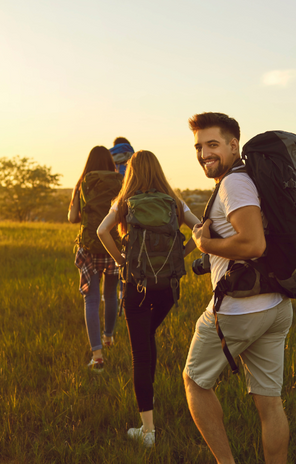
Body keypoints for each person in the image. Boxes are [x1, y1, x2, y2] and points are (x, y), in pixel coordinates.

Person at [183, 112, 293, 464]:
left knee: (195, 382)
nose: (204, 154)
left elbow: (253, 244)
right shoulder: (251, 180)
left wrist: (205, 246)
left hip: (239, 309)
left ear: (234, 145)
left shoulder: (235, 184)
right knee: (269, 400)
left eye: (212, 145)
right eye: (199, 147)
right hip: (275, 305)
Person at [97, 150, 199, 448]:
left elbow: (102, 231)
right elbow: (203, 229)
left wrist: (120, 261)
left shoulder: (124, 202)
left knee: (140, 352)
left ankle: (148, 431)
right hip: (167, 287)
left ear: (132, 173)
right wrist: (182, 253)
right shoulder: (173, 202)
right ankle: (149, 401)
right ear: (158, 170)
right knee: (148, 336)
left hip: (136, 286)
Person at [68, 146, 123, 372]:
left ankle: (97, 356)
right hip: (113, 245)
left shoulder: (83, 183)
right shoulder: (121, 182)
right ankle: (109, 337)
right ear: (110, 162)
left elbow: (72, 218)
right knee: (110, 295)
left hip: (90, 246)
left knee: (91, 300)